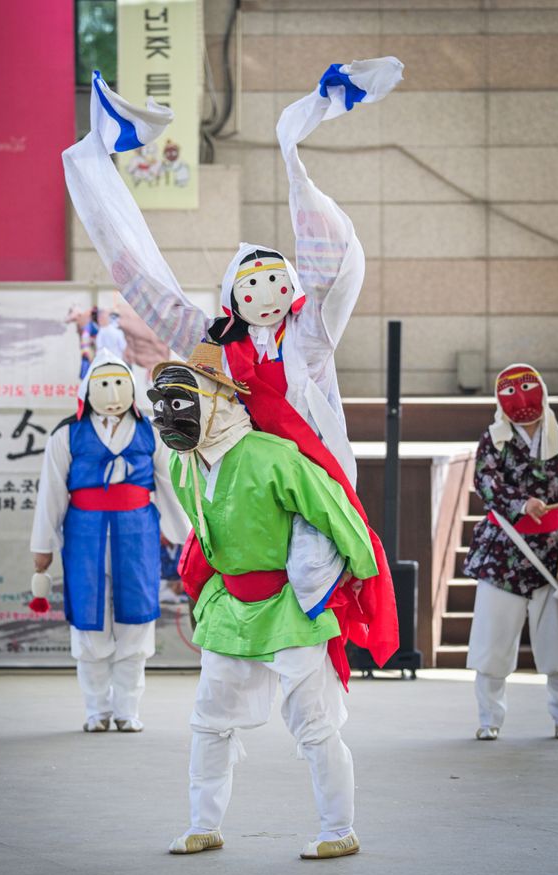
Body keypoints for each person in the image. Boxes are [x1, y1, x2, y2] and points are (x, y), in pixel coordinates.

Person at [63, 59, 403, 683]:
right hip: (243, 478)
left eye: (276, 281)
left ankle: (309, 655)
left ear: (292, 287)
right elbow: (150, 289)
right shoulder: (213, 344)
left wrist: (294, 157)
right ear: (232, 298)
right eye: (251, 287)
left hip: (309, 473)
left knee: (310, 571)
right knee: (229, 571)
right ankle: (94, 160)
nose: (265, 293)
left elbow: (333, 269)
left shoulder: (309, 336)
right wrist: (95, 174)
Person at [148, 342, 385, 860]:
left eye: (181, 400)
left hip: (291, 606)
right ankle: (202, 823)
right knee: (209, 719)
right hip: (231, 608)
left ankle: (338, 828)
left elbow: (334, 509)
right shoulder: (185, 464)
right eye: (163, 402)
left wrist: (363, 577)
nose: (169, 414)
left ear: (216, 399)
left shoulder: (271, 456)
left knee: (315, 721)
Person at [30, 348, 187, 733]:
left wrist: (187, 539)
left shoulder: (152, 432)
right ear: (88, 389)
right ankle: (96, 710)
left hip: (138, 532)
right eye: (105, 384)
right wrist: (43, 546)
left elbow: (170, 487)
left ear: (132, 389)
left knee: (136, 620)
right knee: (89, 620)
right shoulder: (68, 434)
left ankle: (127, 710)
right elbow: (51, 491)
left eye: (120, 383)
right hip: (84, 533)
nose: (113, 393)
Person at [464, 363, 558, 740]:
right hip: (504, 554)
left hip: (551, 556)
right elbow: (485, 481)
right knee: (493, 643)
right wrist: (522, 504)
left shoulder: (557, 437)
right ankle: (489, 719)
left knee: (557, 646)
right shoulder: (494, 438)